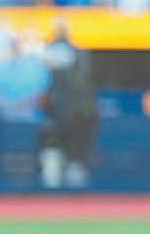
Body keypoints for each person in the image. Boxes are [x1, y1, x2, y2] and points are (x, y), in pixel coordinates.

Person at [40, 20, 98, 190]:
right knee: (70, 150)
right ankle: (69, 177)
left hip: (57, 108)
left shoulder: (48, 51)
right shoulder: (78, 52)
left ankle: (56, 180)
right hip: (75, 109)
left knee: (54, 146)